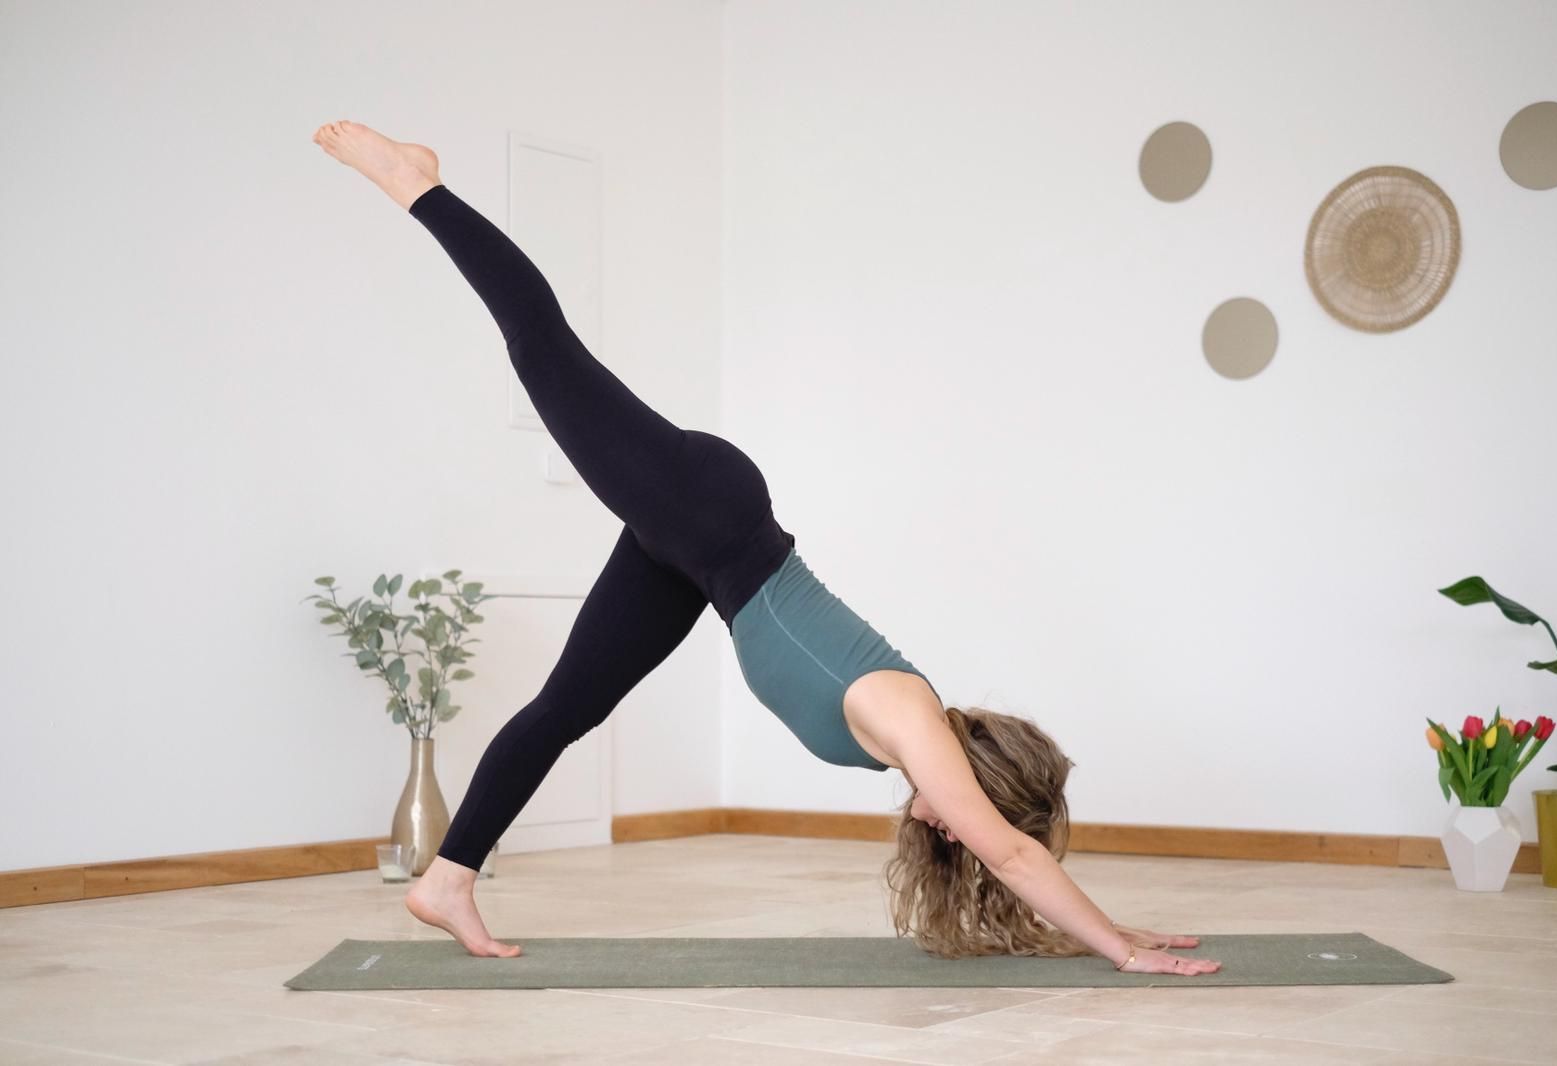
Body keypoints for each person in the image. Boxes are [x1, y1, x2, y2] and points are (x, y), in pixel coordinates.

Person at [311, 120, 1220, 978]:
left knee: (563, 709)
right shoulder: (911, 720)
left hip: (699, 560)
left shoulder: (905, 745)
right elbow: (1013, 855)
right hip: (706, 514)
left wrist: (1113, 927)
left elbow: (1008, 855)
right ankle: (417, 184)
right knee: (544, 349)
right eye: (973, 815)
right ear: (976, 780)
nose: (958, 832)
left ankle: (447, 880)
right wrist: (1120, 949)